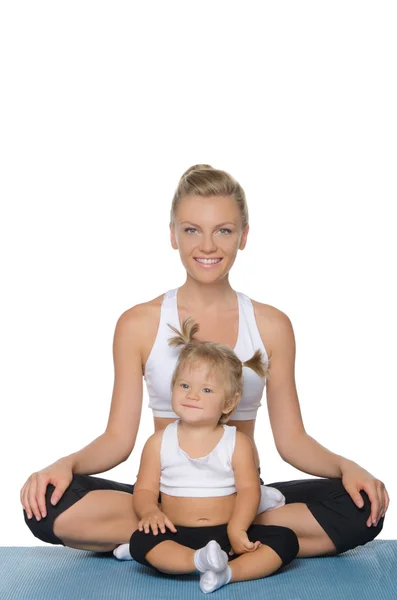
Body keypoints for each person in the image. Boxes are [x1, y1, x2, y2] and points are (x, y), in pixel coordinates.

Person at [21, 164, 389, 559]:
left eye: (224, 231)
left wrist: (346, 466)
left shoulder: (271, 325)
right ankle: (229, 542)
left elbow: (293, 441)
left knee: (362, 507)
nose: (208, 246)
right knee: (46, 504)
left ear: (244, 236)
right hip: (162, 499)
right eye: (192, 229)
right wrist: (67, 463)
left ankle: (176, 541)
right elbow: (118, 439)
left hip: (241, 500)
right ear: (173, 235)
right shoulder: (138, 324)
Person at [118, 316, 299, 594]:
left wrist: (238, 530)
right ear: (173, 388)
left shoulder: (237, 443)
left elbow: (249, 491)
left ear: (229, 402)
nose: (193, 395)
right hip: (176, 532)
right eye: (185, 385)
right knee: (141, 543)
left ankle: (227, 573)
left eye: (206, 390)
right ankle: (197, 560)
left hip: (228, 531)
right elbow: (144, 489)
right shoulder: (158, 442)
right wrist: (150, 512)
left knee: (286, 541)